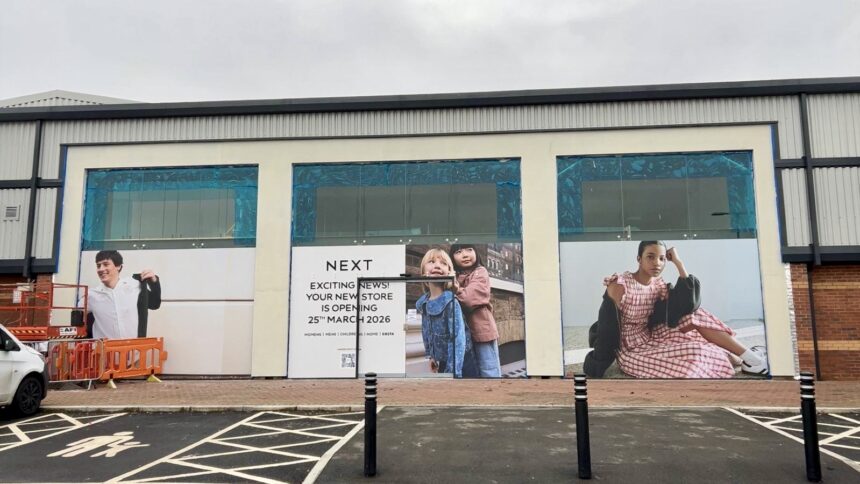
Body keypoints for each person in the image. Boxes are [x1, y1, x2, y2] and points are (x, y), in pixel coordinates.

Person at [583, 241, 767, 378]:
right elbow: (607, 326)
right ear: (638, 259)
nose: (657, 263)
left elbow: (688, 304)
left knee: (696, 315)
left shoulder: (658, 285)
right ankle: (743, 358)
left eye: (662, 259)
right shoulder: (620, 285)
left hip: (651, 335)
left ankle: (751, 359)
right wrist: (596, 365)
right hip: (630, 347)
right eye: (650, 257)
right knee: (696, 353)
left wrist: (679, 263)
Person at [415, 248, 472, 378]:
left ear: (449, 272)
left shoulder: (450, 301)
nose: (437, 265)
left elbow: (458, 339)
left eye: (443, 263)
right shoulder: (424, 303)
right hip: (443, 361)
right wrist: (431, 356)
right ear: (423, 272)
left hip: (461, 361)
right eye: (431, 261)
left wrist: (453, 372)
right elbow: (426, 331)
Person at [449, 244, 502, 378]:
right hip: (462, 335)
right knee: (470, 372)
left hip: (482, 331)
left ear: (476, 253)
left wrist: (455, 290)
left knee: (488, 370)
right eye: (459, 252)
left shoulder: (480, 272)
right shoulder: (453, 275)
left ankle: (492, 397)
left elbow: (468, 299)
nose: (465, 254)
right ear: (452, 257)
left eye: (469, 250)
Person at [85, 250, 162, 340]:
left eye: (106, 264)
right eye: (98, 266)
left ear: (118, 266)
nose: (101, 269)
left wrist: (154, 281)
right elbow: (77, 321)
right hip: (105, 352)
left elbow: (154, 304)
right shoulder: (91, 295)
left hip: (134, 351)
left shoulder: (134, 285)